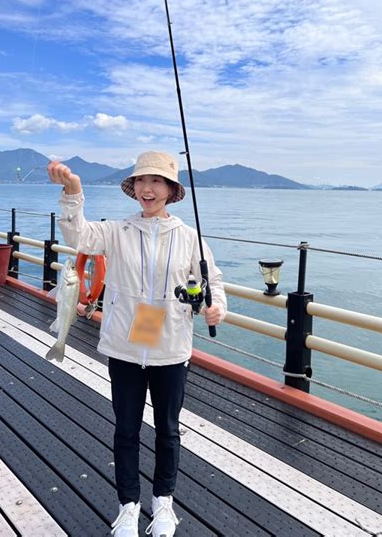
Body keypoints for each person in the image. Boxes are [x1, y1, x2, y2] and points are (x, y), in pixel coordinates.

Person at [48, 151, 227, 537]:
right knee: (125, 429)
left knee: (168, 429)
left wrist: (216, 308)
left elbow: (213, 282)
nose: (149, 188)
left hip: (171, 349)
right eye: (143, 181)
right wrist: (73, 193)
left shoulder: (190, 238)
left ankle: (163, 503)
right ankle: (128, 506)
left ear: (171, 190)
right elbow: (77, 234)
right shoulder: (116, 231)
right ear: (134, 189)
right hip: (125, 350)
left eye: (158, 181)